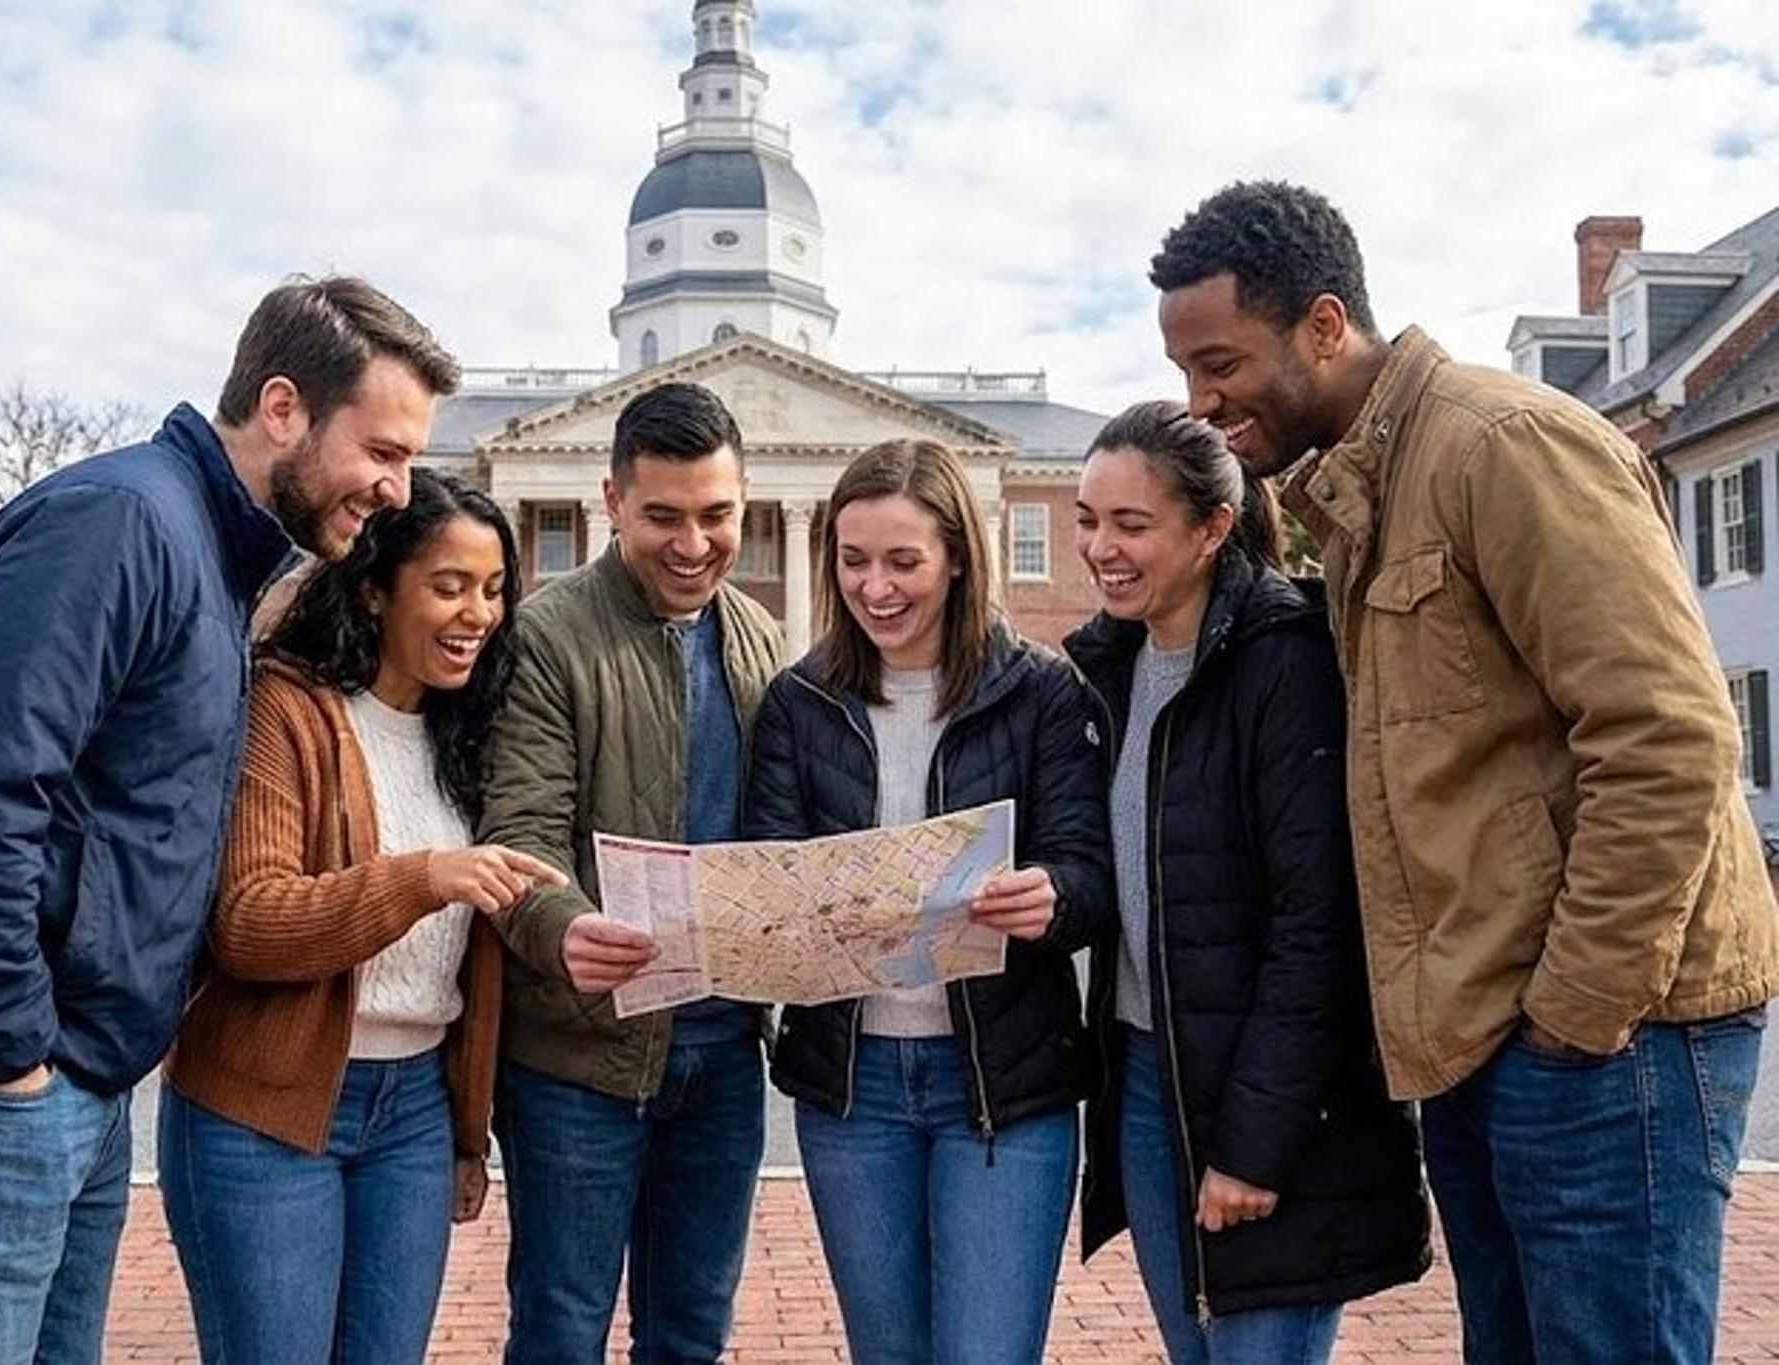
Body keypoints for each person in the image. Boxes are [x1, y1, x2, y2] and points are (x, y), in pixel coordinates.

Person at [1152, 180, 1778, 1362]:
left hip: (1612, 1042)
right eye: (1185, 372)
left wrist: (1572, 1017)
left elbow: (1666, 737)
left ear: (1321, 326)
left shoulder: (1503, 445)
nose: (1201, 403)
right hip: (1493, 1036)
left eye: (1219, 363)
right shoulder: (1366, 493)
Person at [0, 276, 460, 1364]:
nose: (397, 489)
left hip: (63, 1076)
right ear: (283, 408)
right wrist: (8, 1059)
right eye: (382, 451)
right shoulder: (119, 523)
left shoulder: (209, 555)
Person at [159, 473, 564, 1362]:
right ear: (377, 588)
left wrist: (466, 1132)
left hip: (413, 1111)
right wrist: (425, 878)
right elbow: (250, 921)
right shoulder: (287, 708)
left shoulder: (470, 733)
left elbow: (471, 970)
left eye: (494, 589)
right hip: (266, 1106)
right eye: (449, 586)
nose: (478, 614)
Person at [1065, 401, 1429, 1363]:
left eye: (1131, 524)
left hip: (1271, 1105)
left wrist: (1254, 1145)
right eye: (1088, 521)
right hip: (1150, 1080)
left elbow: (1322, 926)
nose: (1100, 549)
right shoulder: (1110, 669)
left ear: (1212, 527)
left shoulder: (1287, 660)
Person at [741, 438, 1105, 1362]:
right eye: (853, 560)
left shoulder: (1041, 691)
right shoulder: (798, 702)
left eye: (904, 561)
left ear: (957, 557)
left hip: (1003, 1084)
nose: (876, 588)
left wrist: (1051, 897)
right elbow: (770, 875)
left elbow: (1090, 874)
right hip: (852, 1088)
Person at [479, 381, 785, 1363]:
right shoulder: (546, 633)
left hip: (724, 1053)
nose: (693, 544)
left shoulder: (759, 637)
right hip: (582, 1058)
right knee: (561, 1332)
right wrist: (561, 925)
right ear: (611, 500)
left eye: (716, 515)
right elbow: (523, 829)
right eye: (662, 516)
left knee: (692, 1334)